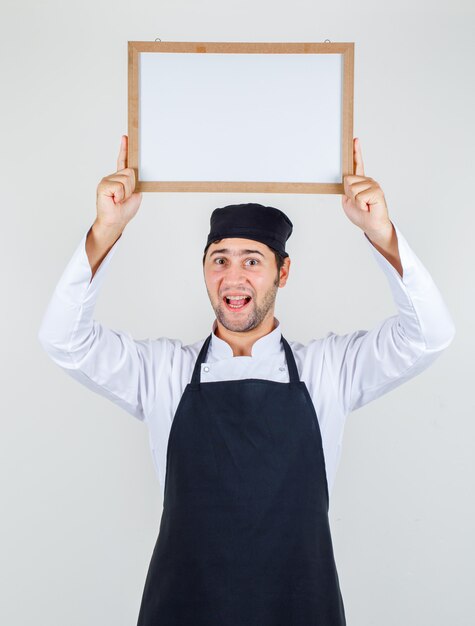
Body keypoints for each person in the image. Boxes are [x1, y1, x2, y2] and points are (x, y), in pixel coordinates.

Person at [38, 135, 455, 625]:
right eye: (220, 260)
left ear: (283, 272)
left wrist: (382, 233)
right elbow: (63, 339)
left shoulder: (329, 371)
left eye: (252, 261)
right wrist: (105, 232)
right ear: (205, 272)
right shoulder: (162, 373)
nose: (233, 277)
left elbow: (429, 335)